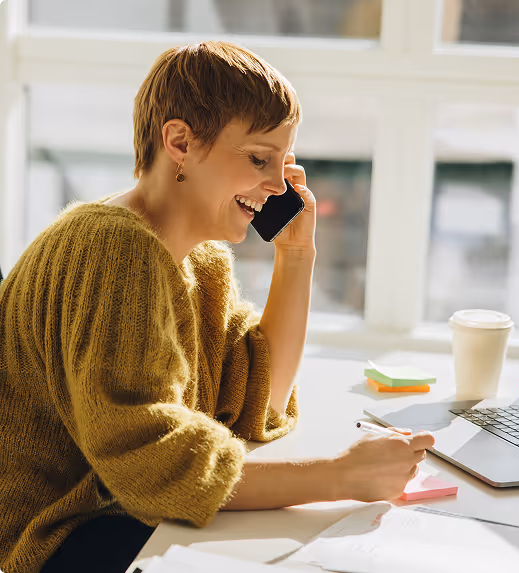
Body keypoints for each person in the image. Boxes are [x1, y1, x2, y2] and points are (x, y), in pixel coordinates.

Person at [0, 41, 434, 573]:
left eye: (283, 160)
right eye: (258, 159)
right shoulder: (111, 247)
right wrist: (340, 476)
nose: (278, 184)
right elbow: (152, 465)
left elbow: (258, 400)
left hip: (123, 520)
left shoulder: (200, 262)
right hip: (52, 543)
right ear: (180, 142)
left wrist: (296, 254)